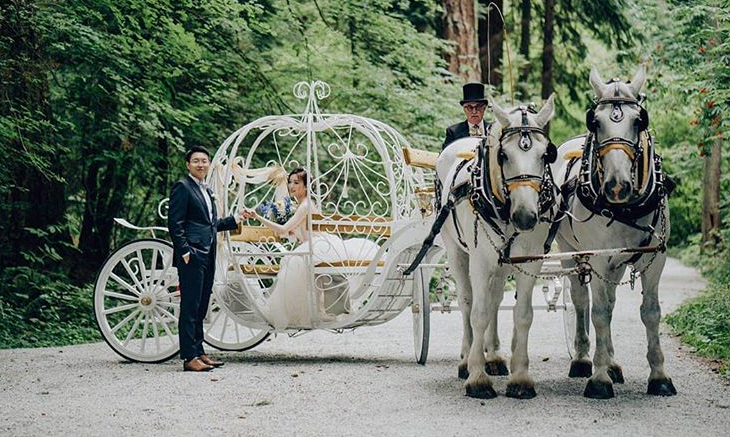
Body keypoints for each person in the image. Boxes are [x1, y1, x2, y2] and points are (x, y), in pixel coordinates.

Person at [242, 168, 379, 329]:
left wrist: (257, 217)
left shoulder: (304, 205)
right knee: (297, 262)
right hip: (317, 245)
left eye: (296, 182)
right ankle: (321, 310)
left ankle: (320, 311)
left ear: (306, 186)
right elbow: (298, 231)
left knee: (293, 262)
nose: (291, 186)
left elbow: (283, 230)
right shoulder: (302, 204)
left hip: (319, 247)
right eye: (290, 182)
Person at [168, 146, 244, 372]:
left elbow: (210, 224)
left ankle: (199, 352)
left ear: (209, 164)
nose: (201, 164)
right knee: (190, 306)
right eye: (196, 161)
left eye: (204, 161)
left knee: (201, 306)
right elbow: (175, 223)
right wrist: (185, 252)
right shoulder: (182, 187)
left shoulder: (207, 189)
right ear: (188, 165)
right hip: (192, 255)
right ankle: (189, 358)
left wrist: (236, 218)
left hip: (208, 253)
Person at [442, 82, 491, 150]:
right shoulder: (453, 132)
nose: (474, 111)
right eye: (469, 107)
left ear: (484, 108)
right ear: (464, 109)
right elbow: (446, 157)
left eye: (478, 107)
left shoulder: (493, 130)